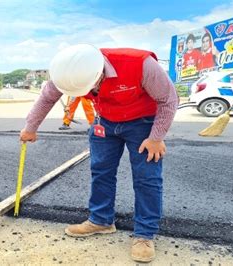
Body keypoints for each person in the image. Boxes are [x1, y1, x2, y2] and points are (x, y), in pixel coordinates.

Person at [20, 44, 178, 262]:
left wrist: (156, 138)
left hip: (143, 123)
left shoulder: (141, 64)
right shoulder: (67, 73)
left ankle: (145, 233)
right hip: (105, 121)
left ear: (99, 73)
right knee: (101, 171)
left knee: (147, 177)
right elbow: (47, 98)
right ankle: (101, 220)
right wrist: (30, 127)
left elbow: (168, 100)